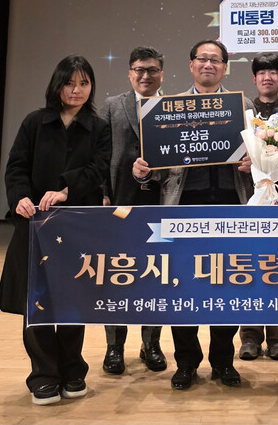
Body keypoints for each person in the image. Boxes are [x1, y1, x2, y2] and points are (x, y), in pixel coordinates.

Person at [133, 39, 254, 391]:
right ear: (191, 65)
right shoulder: (168, 109)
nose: (208, 65)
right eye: (202, 58)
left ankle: (223, 361)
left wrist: (255, 162)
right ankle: (186, 362)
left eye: (216, 60)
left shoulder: (243, 106)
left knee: (228, 289)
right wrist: (143, 172)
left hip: (231, 208)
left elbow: (263, 160)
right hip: (182, 209)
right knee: (181, 288)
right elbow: (157, 169)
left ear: (225, 67)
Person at [0, 55, 111, 405]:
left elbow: (99, 169)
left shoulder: (98, 126)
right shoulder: (35, 122)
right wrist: (20, 197)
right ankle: (43, 375)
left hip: (78, 225)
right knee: (38, 301)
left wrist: (65, 191)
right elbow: (16, 166)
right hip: (36, 225)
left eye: (84, 83)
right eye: (69, 83)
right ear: (57, 85)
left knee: (74, 299)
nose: (76, 90)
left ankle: (73, 370)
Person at [99, 46, 167, 375]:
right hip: (119, 202)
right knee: (117, 275)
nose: (145, 75)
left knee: (158, 275)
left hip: (161, 204)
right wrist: (102, 193)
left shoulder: (173, 108)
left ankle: (150, 344)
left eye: (152, 70)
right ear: (129, 73)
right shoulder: (112, 106)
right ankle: (114, 347)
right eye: (139, 69)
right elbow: (99, 155)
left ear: (161, 74)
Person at [238, 51, 278, 362]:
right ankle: (249, 337)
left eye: (273, 72)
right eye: (261, 72)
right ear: (254, 78)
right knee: (248, 268)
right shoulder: (242, 109)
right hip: (248, 199)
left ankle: (277, 338)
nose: (267, 77)